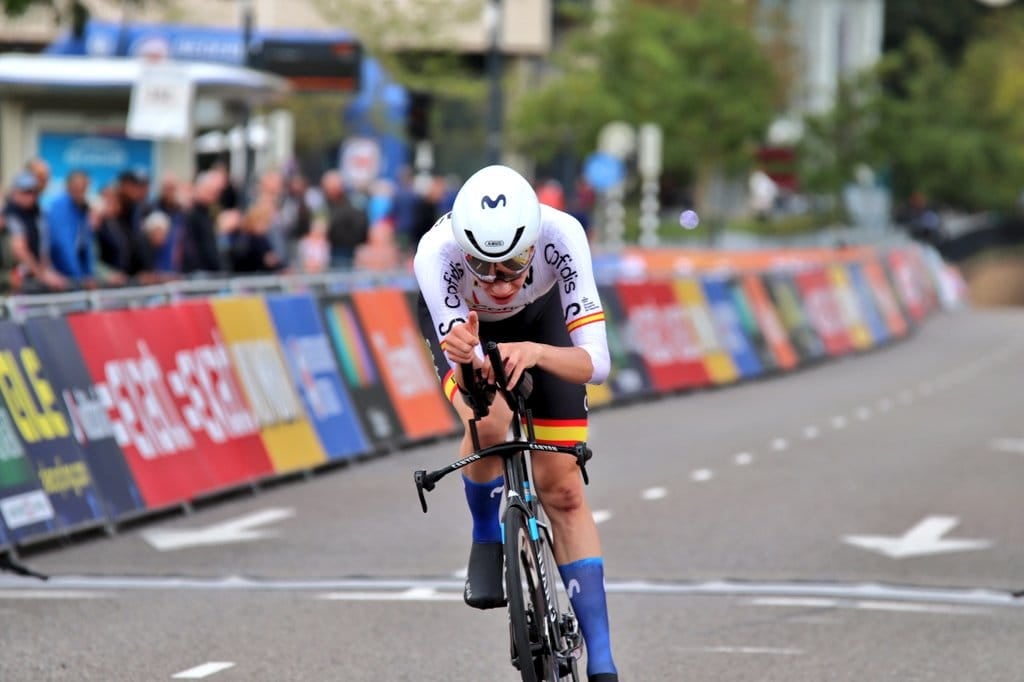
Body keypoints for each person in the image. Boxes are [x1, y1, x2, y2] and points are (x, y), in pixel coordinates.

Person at [413, 165, 619, 682]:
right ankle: (487, 535)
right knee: (489, 418)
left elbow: (597, 362)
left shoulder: (562, 234)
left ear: (534, 243)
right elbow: (469, 374)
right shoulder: (435, 255)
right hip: (471, 334)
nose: (499, 282)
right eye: (483, 267)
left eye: (512, 265)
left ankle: (604, 663)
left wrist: (535, 352)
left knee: (564, 489)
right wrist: (466, 354)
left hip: (543, 323)